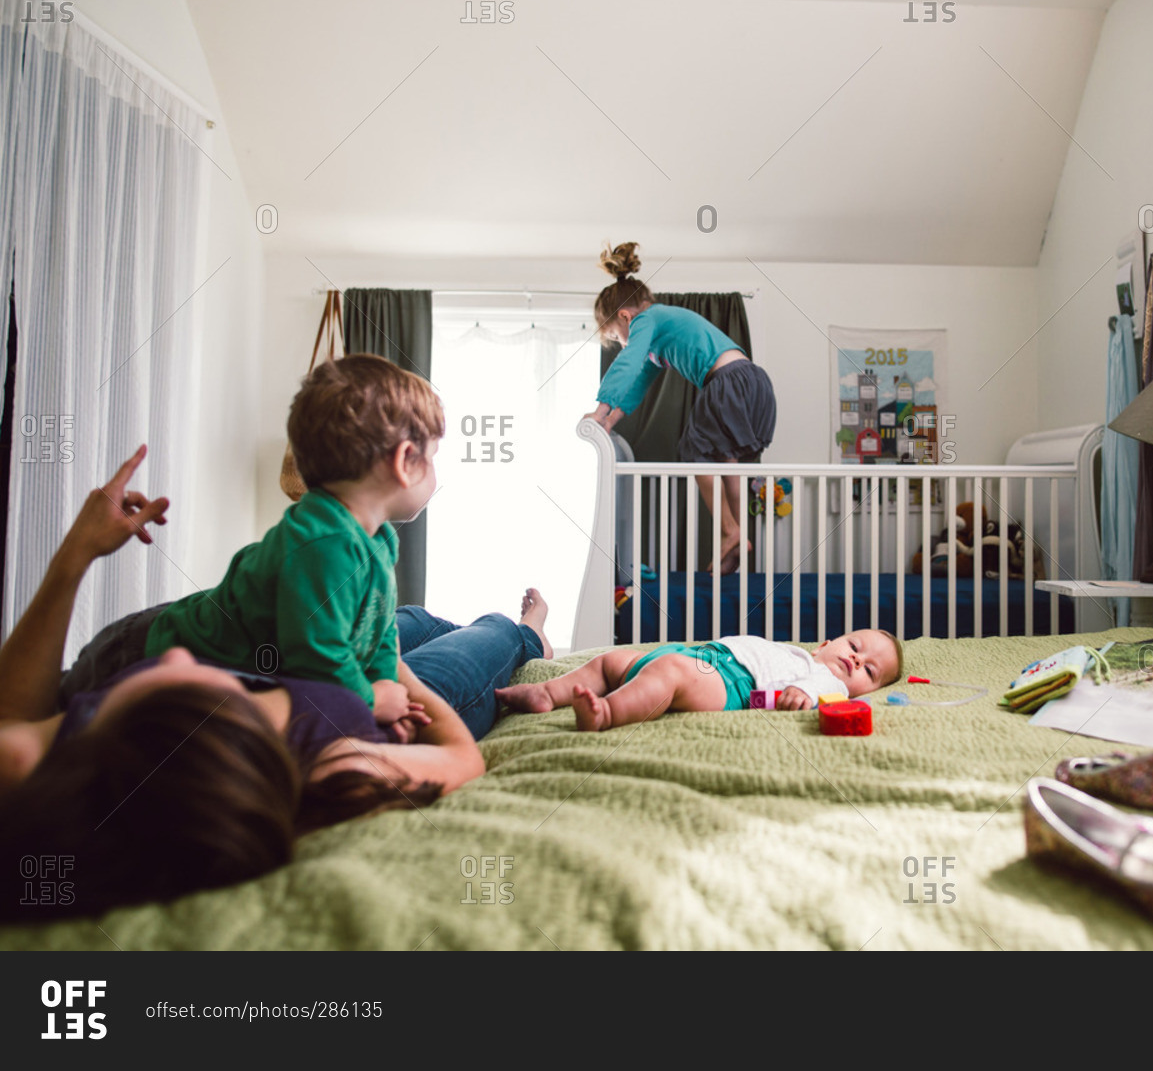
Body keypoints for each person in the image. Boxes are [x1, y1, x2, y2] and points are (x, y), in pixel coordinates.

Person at [0, 447, 549, 922]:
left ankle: (429, 628)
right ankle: (533, 638)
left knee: (415, 616)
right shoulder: (336, 766)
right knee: (494, 631)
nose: (173, 655)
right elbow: (462, 758)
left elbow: (11, 719)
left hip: (327, 652)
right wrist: (393, 673)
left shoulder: (68, 755)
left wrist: (75, 556)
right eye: (204, 679)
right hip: (404, 706)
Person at [143, 354, 443, 726]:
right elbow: (317, 659)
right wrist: (369, 703)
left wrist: (385, 691)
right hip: (168, 648)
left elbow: (380, 631)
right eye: (434, 456)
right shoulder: (325, 543)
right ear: (405, 459)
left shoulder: (379, 539)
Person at [584, 241, 776, 574]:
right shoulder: (660, 337)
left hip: (727, 381)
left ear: (625, 316)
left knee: (693, 451)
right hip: (753, 381)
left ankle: (729, 531)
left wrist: (599, 411)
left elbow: (628, 363)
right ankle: (738, 532)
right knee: (725, 456)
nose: (623, 343)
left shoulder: (647, 320)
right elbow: (640, 382)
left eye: (617, 336)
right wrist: (612, 420)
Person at [497, 629, 903, 732]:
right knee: (610, 661)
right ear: (825, 643)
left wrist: (801, 694)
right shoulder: (800, 655)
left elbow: (821, 692)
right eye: (855, 645)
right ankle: (546, 693)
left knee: (669, 675)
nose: (856, 659)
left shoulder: (824, 679)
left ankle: (607, 713)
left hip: (729, 684)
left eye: (870, 670)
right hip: (702, 656)